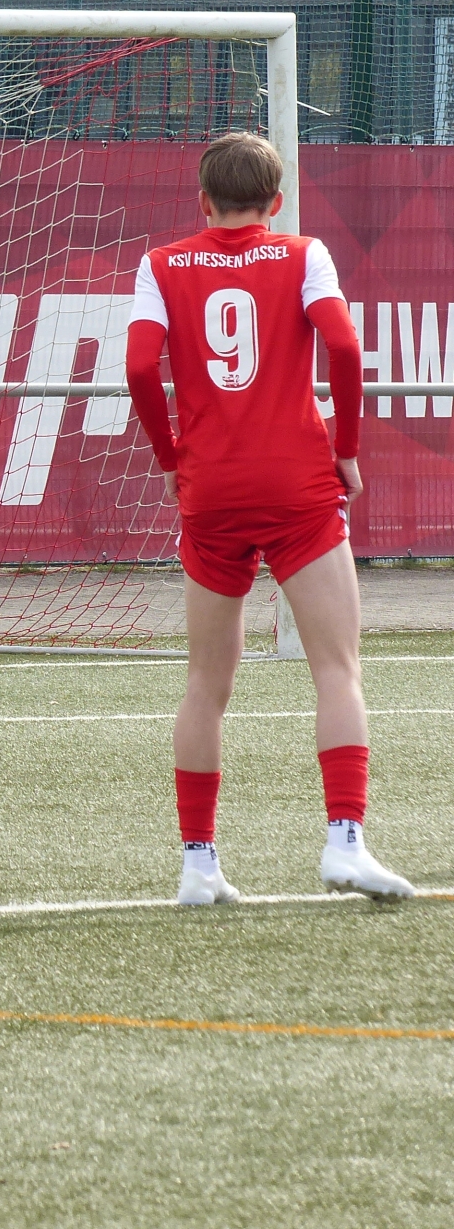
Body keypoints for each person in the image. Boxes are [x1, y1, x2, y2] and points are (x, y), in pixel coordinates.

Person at [126, 131, 413, 906]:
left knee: (205, 684)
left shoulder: (160, 264)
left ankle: (198, 864)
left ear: (203, 201)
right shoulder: (302, 253)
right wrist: (346, 448)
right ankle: (344, 842)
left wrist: (169, 454)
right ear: (275, 201)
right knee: (337, 669)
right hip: (296, 485)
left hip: (212, 490)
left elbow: (135, 368)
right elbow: (345, 348)